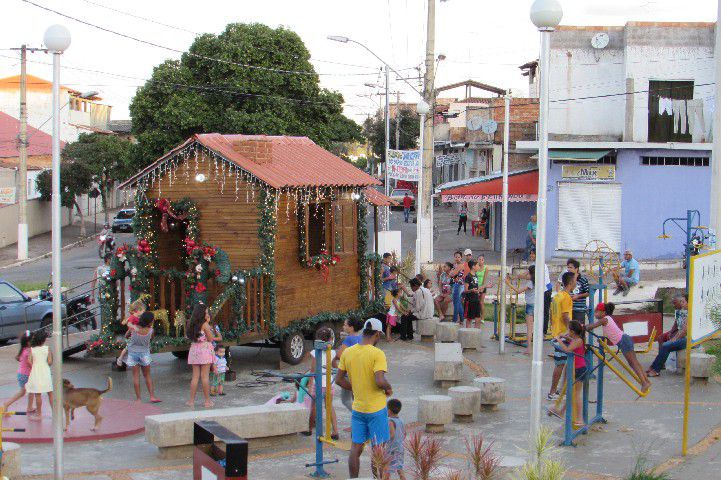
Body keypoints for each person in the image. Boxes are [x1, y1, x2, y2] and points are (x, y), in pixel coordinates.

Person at [336, 318, 393, 479]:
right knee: (378, 450)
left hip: (358, 409)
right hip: (376, 409)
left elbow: (339, 380)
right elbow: (380, 381)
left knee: (356, 448)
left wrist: (355, 387)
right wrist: (388, 388)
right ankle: (378, 478)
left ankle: (353, 479)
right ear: (376, 334)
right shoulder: (377, 354)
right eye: (379, 336)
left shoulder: (348, 352)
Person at [586, 302, 650, 392]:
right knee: (635, 362)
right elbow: (611, 334)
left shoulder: (604, 320)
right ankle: (646, 381)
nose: (595, 314)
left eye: (597, 312)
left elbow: (591, 327)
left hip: (624, 341)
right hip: (625, 339)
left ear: (603, 313)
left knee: (633, 363)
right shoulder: (607, 319)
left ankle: (644, 383)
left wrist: (582, 327)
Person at [548, 320, 587, 428]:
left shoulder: (578, 341)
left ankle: (579, 419)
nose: (567, 331)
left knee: (576, 395)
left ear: (573, 331)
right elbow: (571, 340)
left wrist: (558, 340)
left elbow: (567, 349)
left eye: (568, 330)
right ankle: (561, 411)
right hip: (576, 369)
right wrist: (564, 337)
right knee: (571, 393)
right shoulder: (576, 339)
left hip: (579, 369)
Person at [186, 303, 222, 408]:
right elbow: (210, 339)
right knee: (205, 377)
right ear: (201, 313)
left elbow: (190, 337)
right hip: (204, 351)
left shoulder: (191, 323)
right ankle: (207, 401)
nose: (207, 314)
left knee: (195, 377)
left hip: (194, 350)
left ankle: (191, 401)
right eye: (206, 312)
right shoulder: (205, 325)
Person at [548, 271, 576, 400]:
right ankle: (553, 392)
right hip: (563, 336)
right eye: (575, 280)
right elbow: (565, 317)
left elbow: (551, 315)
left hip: (556, 333)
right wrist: (573, 331)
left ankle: (561, 390)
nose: (576, 282)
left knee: (565, 363)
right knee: (560, 364)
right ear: (570, 283)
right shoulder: (566, 297)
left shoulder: (557, 296)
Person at [309, 327, 339, 440]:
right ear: (330, 339)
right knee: (329, 406)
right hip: (329, 382)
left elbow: (312, 370)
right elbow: (335, 367)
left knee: (315, 406)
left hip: (318, 383)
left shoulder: (314, 352)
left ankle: (309, 429)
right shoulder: (332, 352)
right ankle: (335, 431)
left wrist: (310, 384)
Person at [647, 295, 688, 377]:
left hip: (688, 339)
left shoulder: (690, 313)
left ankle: (656, 370)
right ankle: (658, 365)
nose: (681, 303)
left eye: (683, 302)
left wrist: (674, 339)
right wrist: (671, 333)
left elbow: (684, 331)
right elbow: (677, 325)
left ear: (688, 303)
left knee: (666, 345)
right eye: (681, 302)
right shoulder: (680, 311)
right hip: (681, 335)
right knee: (661, 338)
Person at [126, 311, 161, 403]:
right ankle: (152, 396)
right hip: (144, 354)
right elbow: (151, 339)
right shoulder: (151, 331)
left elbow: (126, 336)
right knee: (147, 376)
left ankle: (138, 399)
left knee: (136, 377)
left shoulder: (133, 328)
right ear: (149, 321)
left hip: (133, 354)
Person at [334, 315, 365, 412]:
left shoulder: (349, 339)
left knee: (346, 400)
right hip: (359, 372)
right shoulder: (361, 338)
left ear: (351, 328)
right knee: (356, 399)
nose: (343, 327)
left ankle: (358, 416)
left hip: (349, 373)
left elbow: (340, 355)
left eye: (345, 325)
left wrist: (334, 352)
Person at [2, 331, 36, 415]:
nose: (35, 342)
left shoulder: (24, 349)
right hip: (26, 375)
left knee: (30, 391)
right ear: (28, 342)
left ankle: (30, 407)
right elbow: (30, 363)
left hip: (23, 374)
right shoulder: (28, 351)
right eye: (33, 340)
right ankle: (6, 404)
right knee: (23, 392)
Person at [506, 265, 535, 355]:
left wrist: (508, 283)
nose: (527, 275)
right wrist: (514, 277)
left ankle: (529, 349)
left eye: (528, 273)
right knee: (535, 328)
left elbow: (519, 291)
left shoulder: (530, 283)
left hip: (530, 305)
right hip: (538, 305)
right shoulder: (538, 281)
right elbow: (523, 277)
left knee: (529, 328)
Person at [25, 330, 53, 421]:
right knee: (50, 393)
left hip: (36, 371)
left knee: (38, 394)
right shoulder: (47, 348)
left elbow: (29, 361)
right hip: (45, 371)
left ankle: (39, 414)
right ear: (43, 340)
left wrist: (35, 364)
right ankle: (55, 413)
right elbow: (50, 362)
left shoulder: (32, 349)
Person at [557, 259, 589, 324]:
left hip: (579, 309)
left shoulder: (582, 279)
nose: (568, 269)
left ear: (576, 269)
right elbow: (563, 289)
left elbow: (588, 292)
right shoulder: (566, 278)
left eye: (571, 267)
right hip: (568, 309)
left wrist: (578, 296)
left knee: (579, 329)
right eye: (568, 267)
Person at [116, 299, 147, 367]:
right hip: (131, 336)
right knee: (128, 347)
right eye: (142, 311)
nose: (143, 312)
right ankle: (120, 358)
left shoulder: (138, 317)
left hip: (137, 335)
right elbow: (129, 324)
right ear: (137, 310)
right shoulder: (132, 317)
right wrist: (134, 327)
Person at [529, 249, 552, 335]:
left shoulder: (541, 264)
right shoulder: (533, 264)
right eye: (531, 254)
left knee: (545, 310)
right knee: (538, 310)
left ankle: (543, 330)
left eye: (533, 254)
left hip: (546, 290)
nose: (531, 255)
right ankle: (539, 329)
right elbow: (528, 273)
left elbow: (531, 276)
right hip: (540, 290)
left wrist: (519, 276)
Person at [387, 398, 406, 480]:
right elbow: (404, 433)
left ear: (389, 410)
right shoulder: (401, 420)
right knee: (399, 467)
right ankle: (403, 477)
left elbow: (392, 434)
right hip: (400, 447)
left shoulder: (390, 421)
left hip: (392, 448)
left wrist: (384, 440)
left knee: (386, 467)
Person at [449, 251, 467, 324]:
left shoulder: (460, 265)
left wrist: (452, 272)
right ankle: (462, 319)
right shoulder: (455, 265)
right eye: (456, 257)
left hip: (459, 285)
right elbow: (451, 274)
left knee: (456, 302)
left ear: (461, 258)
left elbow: (451, 274)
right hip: (455, 284)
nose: (457, 258)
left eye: (458, 257)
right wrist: (452, 273)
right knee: (458, 303)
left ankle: (455, 319)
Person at [464, 260, 482, 328]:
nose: (478, 266)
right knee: (469, 319)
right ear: (473, 267)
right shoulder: (468, 276)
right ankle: (468, 335)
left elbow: (476, 288)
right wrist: (471, 290)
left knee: (478, 318)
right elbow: (465, 290)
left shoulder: (476, 275)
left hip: (476, 299)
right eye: (477, 265)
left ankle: (476, 334)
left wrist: (485, 286)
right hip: (470, 300)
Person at [476, 254, 493, 325]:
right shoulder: (475, 267)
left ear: (484, 260)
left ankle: (482, 318)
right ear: (477, 260)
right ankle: (476, 317)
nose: (480, 261)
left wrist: (482, 287)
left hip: (483, 287)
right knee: (476, 303)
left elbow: (484, 279)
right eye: (479, 259)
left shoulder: (486, 268)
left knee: (481, 302)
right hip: (476, 287)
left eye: (482, 260)